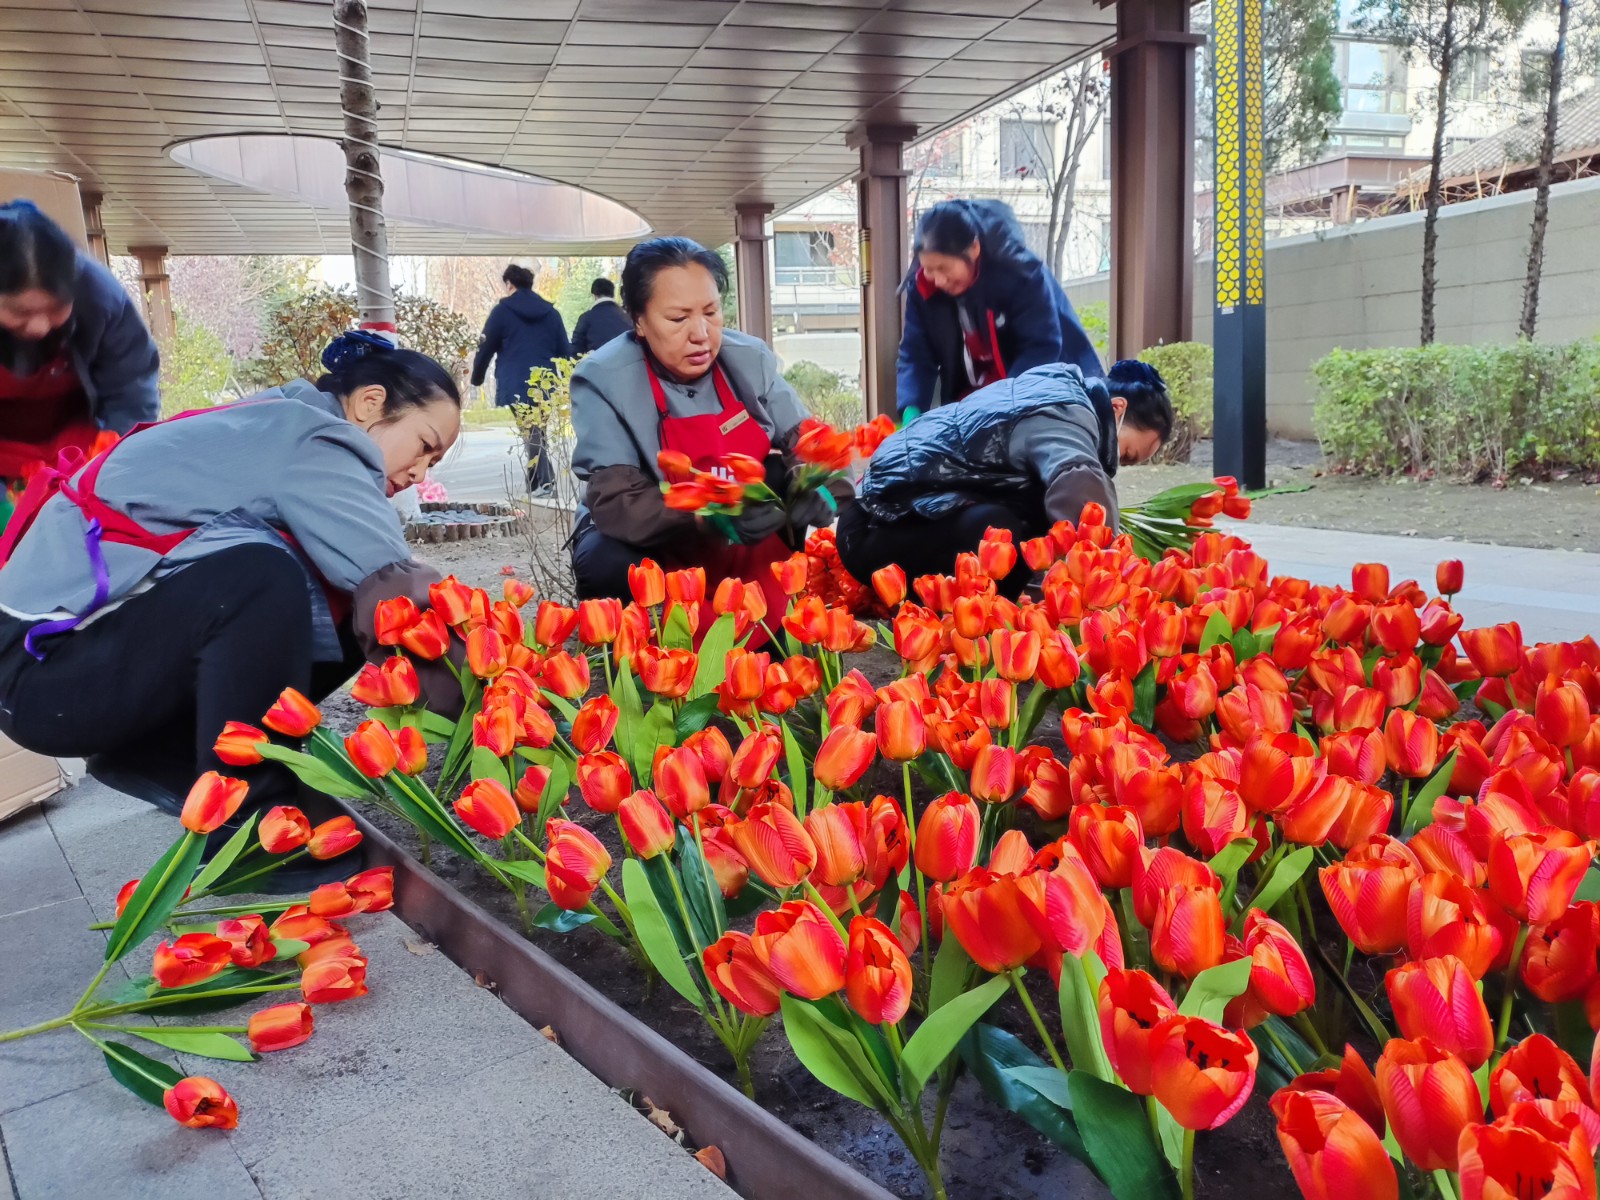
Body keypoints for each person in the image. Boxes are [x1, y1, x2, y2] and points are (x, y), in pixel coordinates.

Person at [0, 332, 463, 880]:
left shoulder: (270, 422)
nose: (420, 474)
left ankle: (158, 753)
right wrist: (484, 695)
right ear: (370, 404)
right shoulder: (311, 438)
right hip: (50, 675)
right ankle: (246, 830)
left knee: (325, 602)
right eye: (425, 445)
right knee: (263, 580)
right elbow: (395, 591)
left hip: (53, 672)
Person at [569, 236, 842, 618]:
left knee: (787, 481)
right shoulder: (603, 378)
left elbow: (811, 443)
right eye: (678, 319)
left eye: (711, 312)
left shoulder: (747, 359)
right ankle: (643, 647)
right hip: (658, 534)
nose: (701, 334)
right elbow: (619, 501)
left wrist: (813, 484)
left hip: (746, 529)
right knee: (605, 561)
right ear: (639, 321)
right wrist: (706, 512)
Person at [837, 359, 1172, 599]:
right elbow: (1079, 481)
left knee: (1031, 521)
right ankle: (970, 608)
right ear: (1116, 408)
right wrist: (1109, 584)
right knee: (1000, 529)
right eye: (1126, 453)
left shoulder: (1056, 390)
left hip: (899, 520)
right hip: (872, 529)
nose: (1118, 463)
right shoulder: (1066, 414)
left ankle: (993, 608)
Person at [0, 199, 161, 518]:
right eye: (21, 312)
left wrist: (114, 464)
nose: (40, 326)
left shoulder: (100, 297)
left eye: (55, 308)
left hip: (81, 467)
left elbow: (131, 391)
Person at [896, 199, 1102, 423]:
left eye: (944, 268)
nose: (938, 279)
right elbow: (916, 354)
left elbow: (1040, 347)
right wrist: (912, 407)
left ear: (974, 249)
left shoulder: (1020, 274)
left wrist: (1004, 405)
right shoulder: (923, 290)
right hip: (975, 398)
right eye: (928, 269)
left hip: (1038, 390)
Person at [470, 263, 570, 496]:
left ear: (509, 284)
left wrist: (477, 377)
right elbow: (565, 350)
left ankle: (543, 484)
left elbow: (486, 347)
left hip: (516, 381)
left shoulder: (502, 312)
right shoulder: (551, 313)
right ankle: (538, 483)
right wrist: (566, 380)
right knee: (536, 430)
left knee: (531, 430)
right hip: (545, 381)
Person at [569, 278, 631, 355]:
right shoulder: (627, 317)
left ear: (594, 295)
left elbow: (576, 350)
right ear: (612, 294)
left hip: (597, 364)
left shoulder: (586, 318)